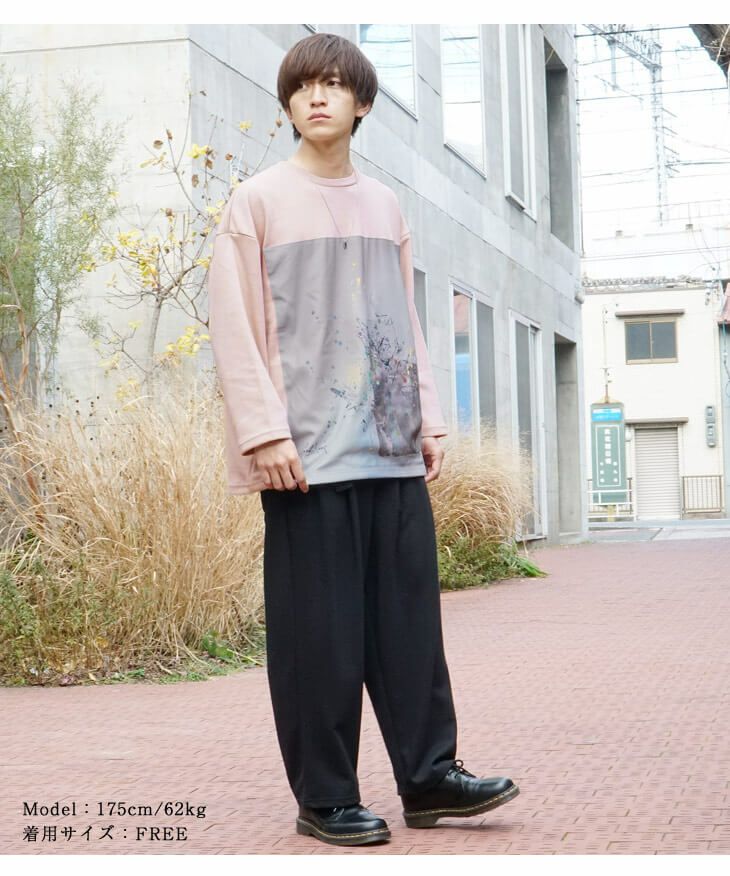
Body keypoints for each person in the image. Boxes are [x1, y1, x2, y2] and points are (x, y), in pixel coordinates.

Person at [207, 31, 519, 847]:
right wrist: (263, 432)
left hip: (389, 448)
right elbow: (233, 327)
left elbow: (402, 319)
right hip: (305, 456)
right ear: (288, 105)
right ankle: (325, 797)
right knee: (320, 636)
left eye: (334, 85)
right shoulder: (257, 202)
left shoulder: (385, 204)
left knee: (410, 625)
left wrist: (428, 417)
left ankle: (429, 777)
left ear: (363, 103)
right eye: (302, 86)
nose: (317, 97)